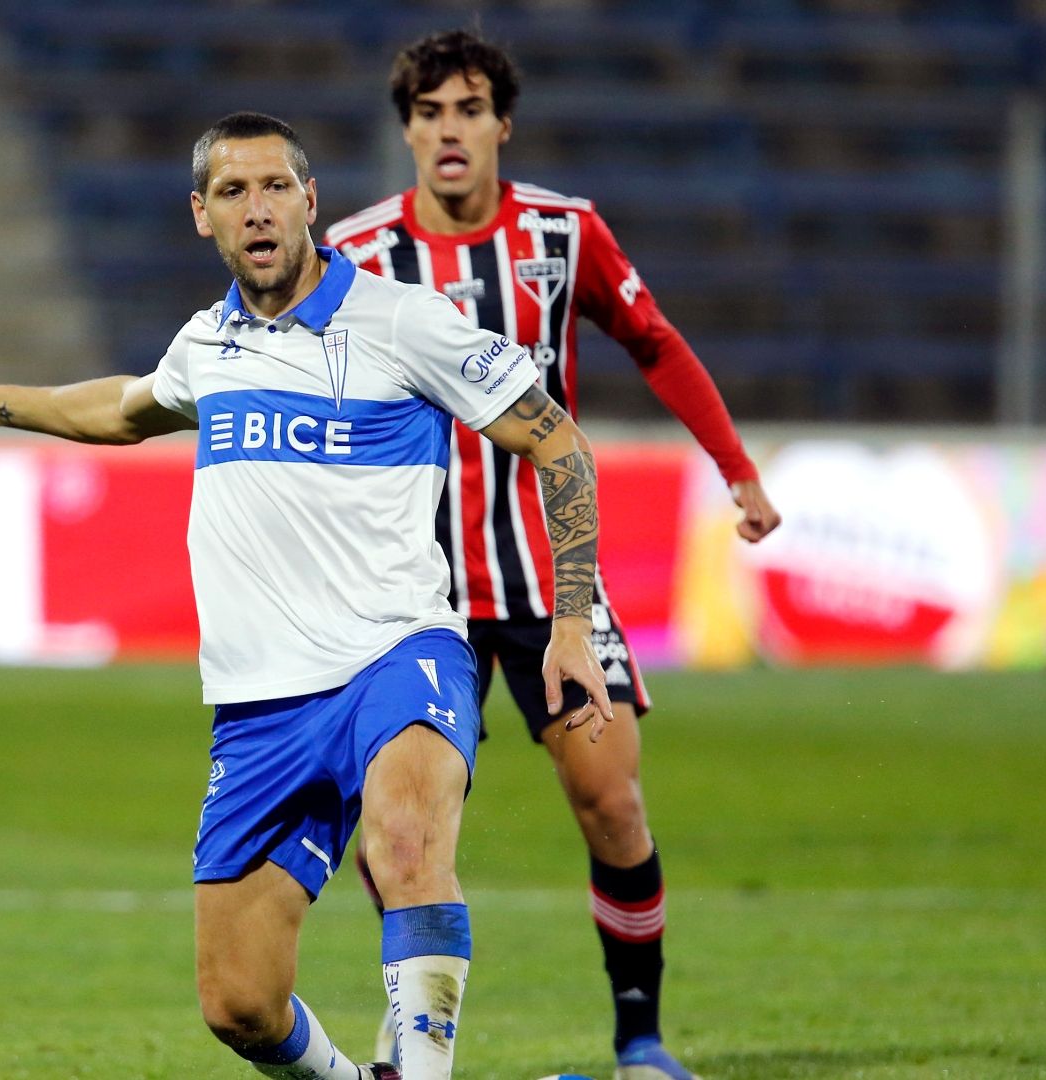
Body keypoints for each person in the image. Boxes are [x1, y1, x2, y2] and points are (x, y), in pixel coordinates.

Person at [0, 112, 612, 1080]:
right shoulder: (208, 344)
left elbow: (557, 440)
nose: (259, 209)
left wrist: (572, 622)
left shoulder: (402, 322)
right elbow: (123, 407)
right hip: (261, 708)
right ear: (203, 216)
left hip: (395, 655)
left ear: (311, 201)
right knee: (237, 1001)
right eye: (233, 193)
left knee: (406, 844)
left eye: (276, 186)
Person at [323, 30, 784, 1080]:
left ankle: (640, 1042)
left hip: (550, 580)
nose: (450, 129)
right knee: (393, 826)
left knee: (613, 801)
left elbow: (655, 342)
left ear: (502, 124)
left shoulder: (563, 234)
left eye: (470, 108)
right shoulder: (358, 252)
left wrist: (737, 470)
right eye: (430, 110)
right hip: (413, 587)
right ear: (406, 128)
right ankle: (414, 1021)